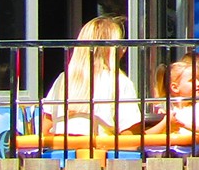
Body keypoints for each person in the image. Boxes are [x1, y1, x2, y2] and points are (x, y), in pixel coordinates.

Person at [38, 14, 144, 148]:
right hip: (101, 154)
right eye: (121, 45)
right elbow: (130, 138)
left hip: (61, 155)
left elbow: (45, 130)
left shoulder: (63, 79)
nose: (124, 50)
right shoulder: (119, 82)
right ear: (112, 50)